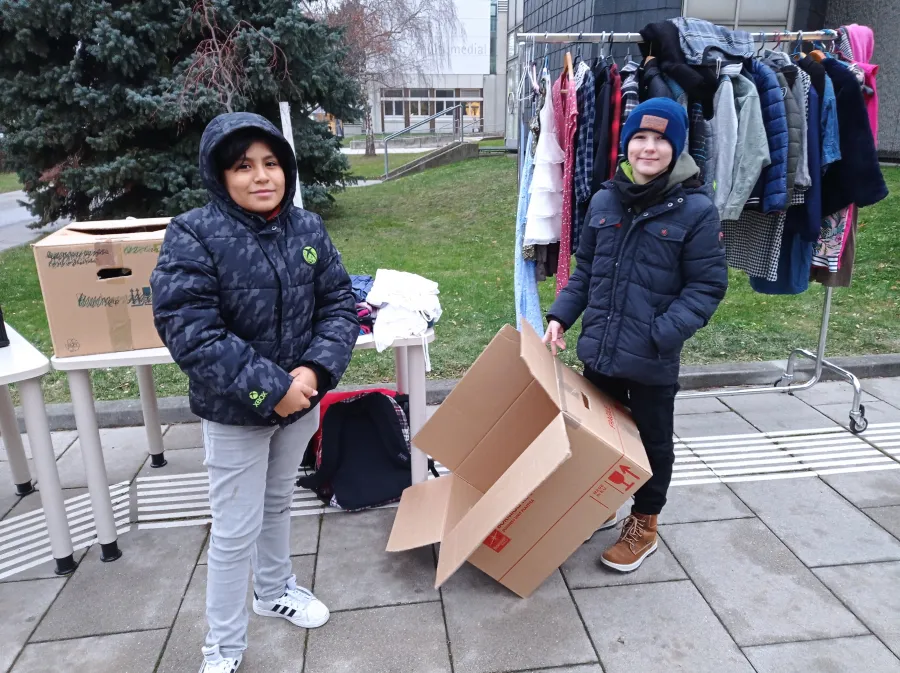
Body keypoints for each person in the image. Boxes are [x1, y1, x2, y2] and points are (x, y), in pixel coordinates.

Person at [151, 112, 358, 673]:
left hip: (302, 401)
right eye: (244, 166)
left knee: (276, 502)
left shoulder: (307, 229)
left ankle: (273, 590)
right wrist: (272, 390)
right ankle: (221, 649)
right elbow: (189, 329)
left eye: (271, 163)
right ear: (221, 175)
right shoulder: (193, 233)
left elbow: (340, 304)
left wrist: (313, 374)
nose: (261, 177)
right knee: (234, 528)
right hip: (236, 412)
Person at [543, 98, 727, 572]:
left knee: (651, 441)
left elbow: (708, 285)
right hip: (600, 349)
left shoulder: (697, 211)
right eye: (640, 138)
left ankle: (644, 524)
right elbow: (585, 271)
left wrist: (661, 332)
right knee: (600, 437)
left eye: (661, 139)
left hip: (652, 356)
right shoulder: (605, 200)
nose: (649, 148)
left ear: (676, 147)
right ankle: (600, 502)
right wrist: (561, 315)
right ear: (627, 144)